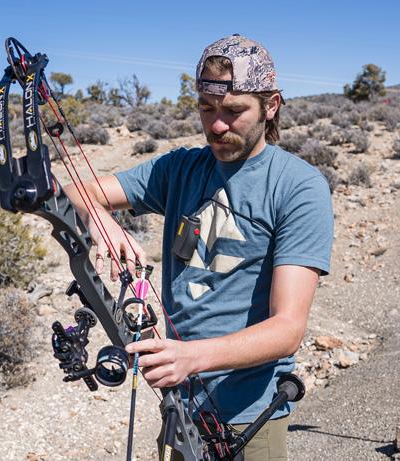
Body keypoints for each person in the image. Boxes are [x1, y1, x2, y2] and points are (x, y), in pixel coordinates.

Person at [63, 34, 334, 460]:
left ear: (272, 106)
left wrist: (190, 358)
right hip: (180, 411)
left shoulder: (298, 187)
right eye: (207, 110)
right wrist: (102, 220)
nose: (217, 126)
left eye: (233, 111)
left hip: (251, 418)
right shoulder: (180, 168)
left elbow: (287, 329)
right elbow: (74, 193)